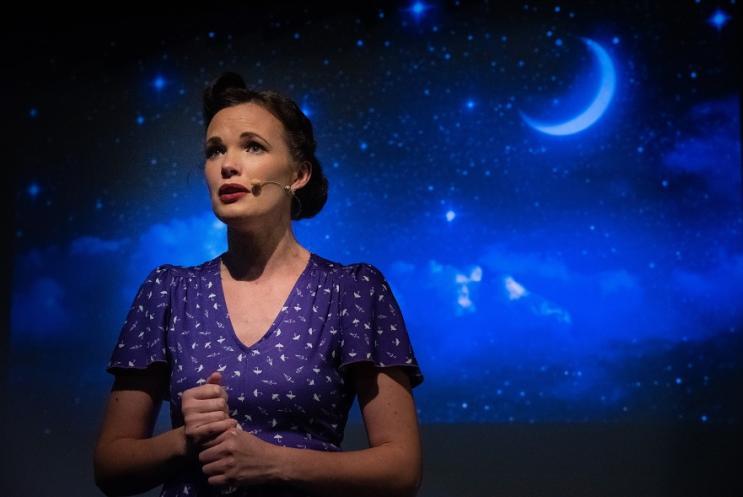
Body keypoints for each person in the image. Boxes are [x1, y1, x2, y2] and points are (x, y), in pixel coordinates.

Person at [93, 71, 425, 497]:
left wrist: (274, 464)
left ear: (299, 174)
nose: (227, 164)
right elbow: (110, 466)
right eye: (215, 151)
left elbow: (401, 469)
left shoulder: (354, 292)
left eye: (252, 146)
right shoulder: (168, 291)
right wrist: (183, 440)